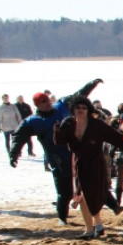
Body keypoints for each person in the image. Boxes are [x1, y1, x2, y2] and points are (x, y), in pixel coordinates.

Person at [53, 95, 123, 238]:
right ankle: (91, 228)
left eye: (84, 108)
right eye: (77, 108)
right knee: (81, 196)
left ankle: (97, 225)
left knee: (92, 195)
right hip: (78, 163)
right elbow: (59, 141)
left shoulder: (96, 124)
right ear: (73, 109)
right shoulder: (69, 124)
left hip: (95, 163)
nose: (80, 110)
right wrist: (58, 128)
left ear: (88, 109)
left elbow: (116, 138)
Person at [9, 91, 74, 225]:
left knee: (91, 183)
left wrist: (93, 83)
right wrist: (14, 153)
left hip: (75, 153)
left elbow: (80, 94)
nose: (48, 103)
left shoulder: (61, 106)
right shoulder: (34, 121)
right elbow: (18, 136)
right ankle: (62, 217)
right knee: (65, 192)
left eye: (48, 100)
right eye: (43, 102)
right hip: (57, 159)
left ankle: (113, 206)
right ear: (37, 105)